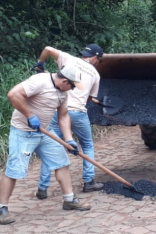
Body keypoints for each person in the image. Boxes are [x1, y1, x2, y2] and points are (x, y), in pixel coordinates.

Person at [0, 64, 92, 225]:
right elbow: (13, 94)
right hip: (23, 132)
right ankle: (1, 209)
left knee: (62, 162)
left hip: (45, 132)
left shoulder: (63, 93)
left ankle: (69, 200)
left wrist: (69, 139)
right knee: (14, 170)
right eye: (72, 85)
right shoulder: (39, 81)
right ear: (64, 81)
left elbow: (63, 116)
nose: (72, 89)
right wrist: (29, 115)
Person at [32, 44, 105, 198]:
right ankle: (89, 182)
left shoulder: (69, 59)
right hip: (78, 112)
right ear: (96, 58)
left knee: (50, 146)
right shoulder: (95, 75)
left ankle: (42, 188)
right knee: (87, 145)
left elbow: (47, 49)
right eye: (99, 60)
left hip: (59, 111)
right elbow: (90, 99)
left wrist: (40, 64)